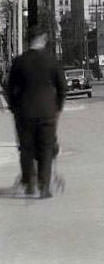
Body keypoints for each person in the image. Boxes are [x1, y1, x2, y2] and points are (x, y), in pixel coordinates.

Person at [3, 30, 66, 199]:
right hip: (47, 113)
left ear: (27, 40)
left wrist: (14, 107)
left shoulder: (19, 62)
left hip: (24, 113)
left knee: (26, 149)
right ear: (43, 39)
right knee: (46, 149)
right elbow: (62, 88)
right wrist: (58, 107)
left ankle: (29, 183)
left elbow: (8, 88)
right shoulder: (51, 61)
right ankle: (44, 186)